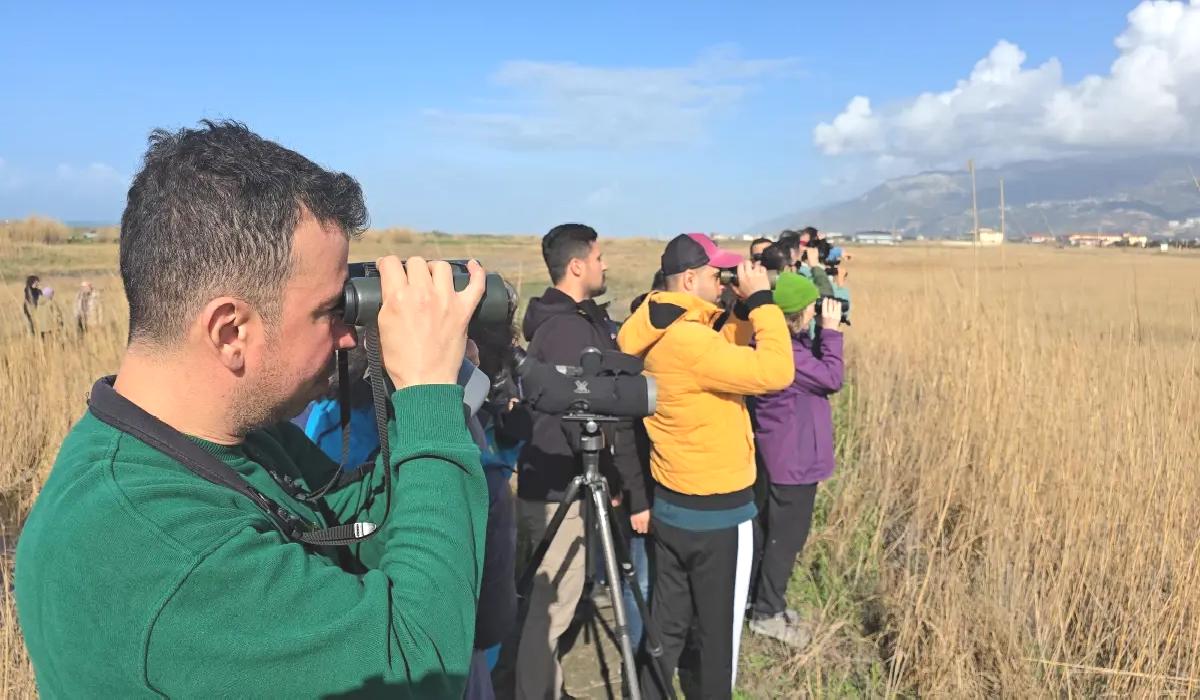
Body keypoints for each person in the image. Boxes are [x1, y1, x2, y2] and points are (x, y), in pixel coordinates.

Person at [15, 121, 490, 698]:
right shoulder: (156, 548)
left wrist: (431, 374)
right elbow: (422, 667)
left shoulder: (217, 438)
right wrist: (428, 394)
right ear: (231, 330)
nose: (348, 336)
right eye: (330, 311)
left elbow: (375, 525)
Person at [618, 233, 794, 699]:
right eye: (717, 275)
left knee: (667, 627)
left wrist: (739, 313)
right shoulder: (689, 341)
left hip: (673, 508)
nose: (723, 282)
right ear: (689, 279)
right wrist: (762, 302)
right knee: (718, 641)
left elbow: (718, 362)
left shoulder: (656, 326)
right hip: (719, 517)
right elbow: (776, 372)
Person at [513, 222, 645, 700]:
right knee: (552, 607)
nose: (604, 265)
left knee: (548, 600)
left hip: (552, 478)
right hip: (558, 489)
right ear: (576, 266)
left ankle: (544, 685)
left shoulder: (558, 322)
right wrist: (613, 475)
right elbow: (583, 414)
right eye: (598, 257)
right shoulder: (570, 330)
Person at [748, 274, 844, 647]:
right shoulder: (788, 356)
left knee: (771, 534)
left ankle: (761, 600)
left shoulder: (778, 346)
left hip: (785, 457)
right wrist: (830, 332)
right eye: (811, 308)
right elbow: (831, 377)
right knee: (785, 540)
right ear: (798, 314)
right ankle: (767, 614)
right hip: (794, 462)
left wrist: (814, 333)